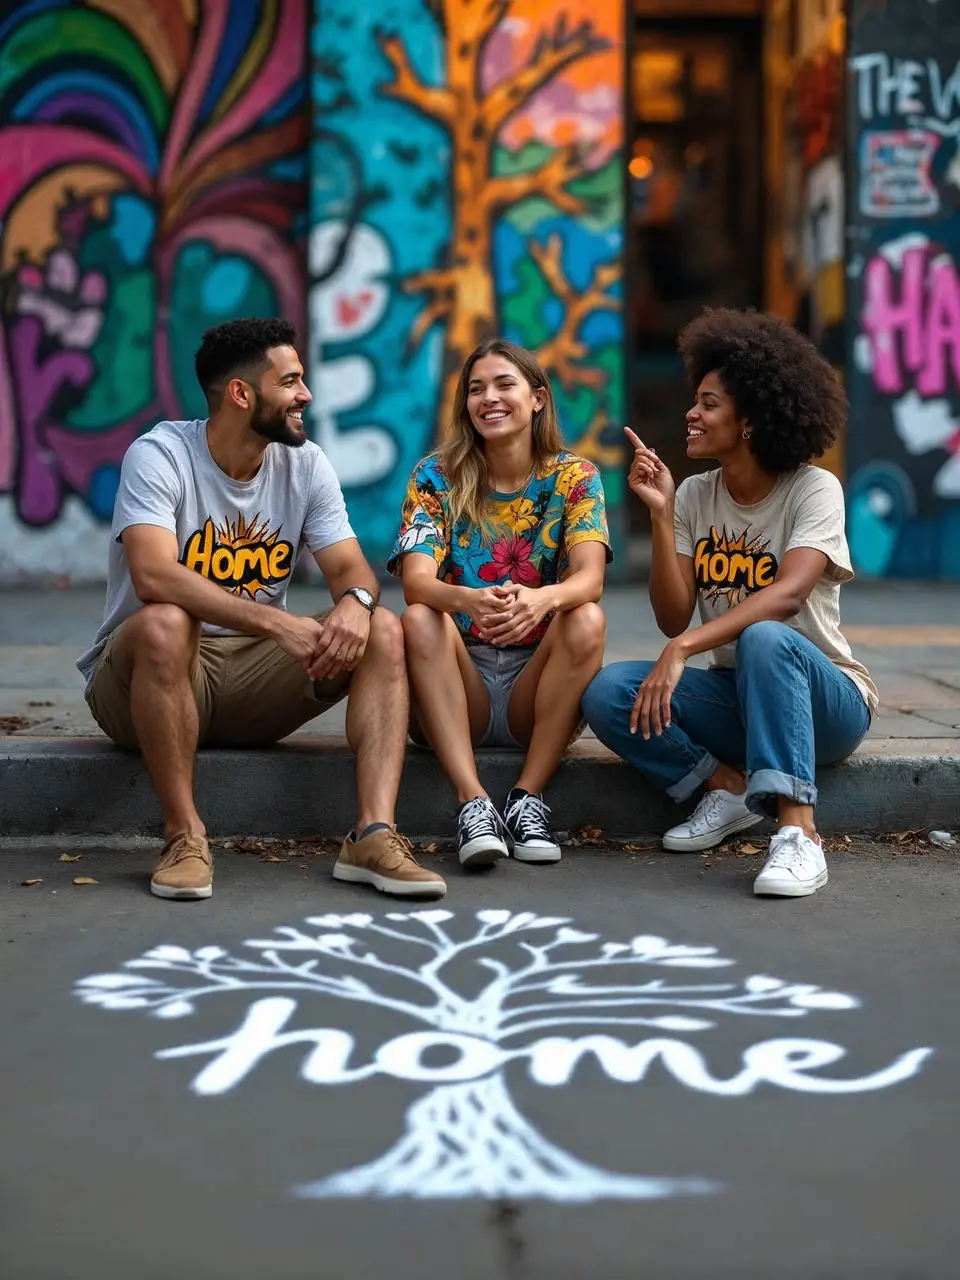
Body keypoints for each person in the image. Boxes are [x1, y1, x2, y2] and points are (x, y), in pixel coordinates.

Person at [77, 317, 444, 902]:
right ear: (242, 394)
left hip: (252, 678)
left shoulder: (305, 464)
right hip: (144, 679)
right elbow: (152, 574)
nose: (306, 394)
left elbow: (352, 570)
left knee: (383, 627)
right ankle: (184, 836)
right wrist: (277, 621)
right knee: (167, 621)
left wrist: (357, 603)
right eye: (291, 381)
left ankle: (373, 834)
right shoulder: (159, 455)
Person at [582, 308, 878, 898]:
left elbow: (789, 594)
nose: (691, 413)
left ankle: (799, 834)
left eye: (709, 403)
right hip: (738, 698)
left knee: (763, 636)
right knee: (610, 692)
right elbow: (672, 614)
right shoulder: (695, 493)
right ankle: (728, 790)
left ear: (750, 421)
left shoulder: (813, 488)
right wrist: (663, 515)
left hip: (827, 701)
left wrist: (684, 648)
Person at [388, 337, 611, 868]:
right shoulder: (435, 477)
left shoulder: (575, 477)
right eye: (475, 389)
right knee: (419, 618)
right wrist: (466, 598)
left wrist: (540, 601)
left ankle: (526, 799)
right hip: (456, 683)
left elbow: (589, 580)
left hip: (537, 687)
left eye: (504, 384)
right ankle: (473, 804)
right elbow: (416, 582)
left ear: (537, 398)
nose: (489, 397)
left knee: (587, 619)